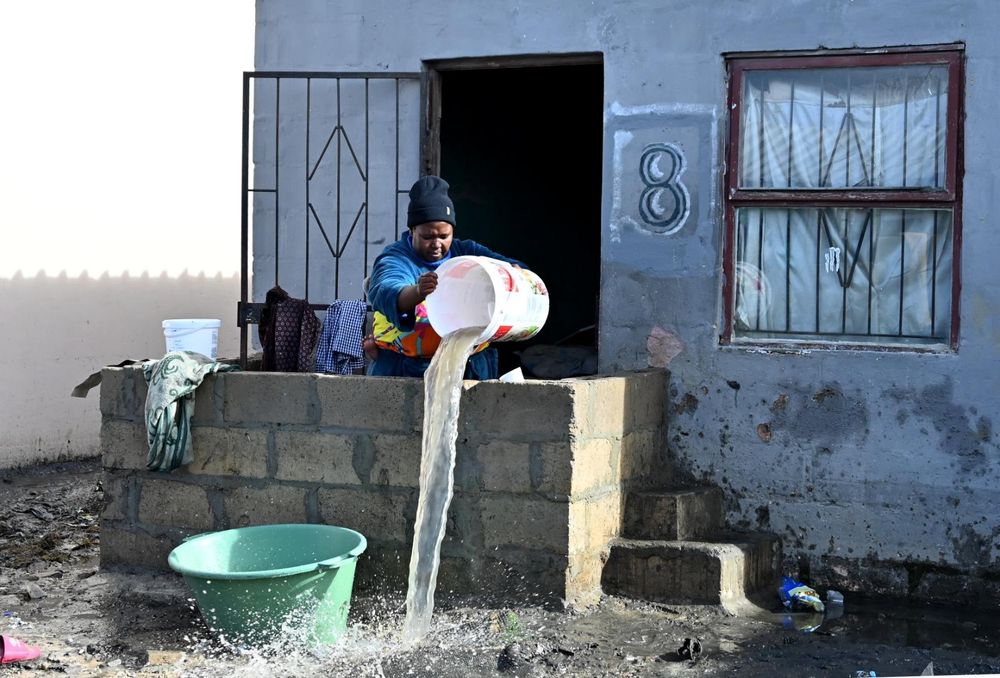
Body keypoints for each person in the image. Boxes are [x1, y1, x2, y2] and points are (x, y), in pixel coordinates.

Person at [366, 175, 526, 379]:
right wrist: (418, 291)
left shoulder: (466, 251)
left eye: (444, 236)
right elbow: (387, 289)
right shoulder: (396, 258)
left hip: (468, 366)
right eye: (427, 237)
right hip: (404, 369)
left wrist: (513, 273)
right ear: (412, 230)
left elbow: (515, 268)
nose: (436, 244)